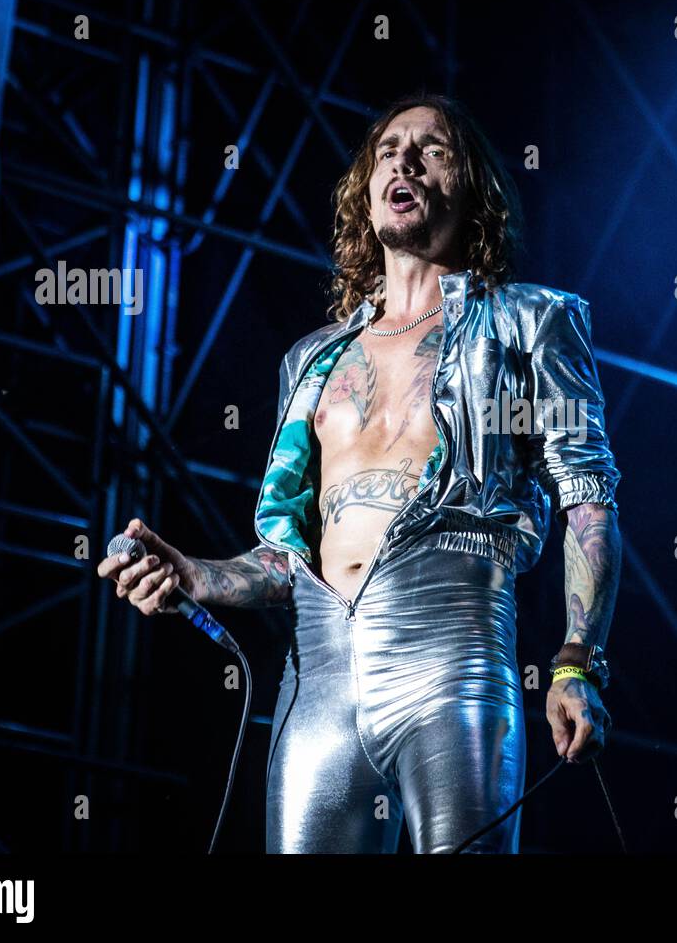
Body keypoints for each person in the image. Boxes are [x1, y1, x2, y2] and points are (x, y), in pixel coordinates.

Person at [96, 92, 622, 853]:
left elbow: (587, 500)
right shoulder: (310, 361)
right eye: (388, 150)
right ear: (367, 189)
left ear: (471, 188)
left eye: (432, 149)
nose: (403, 159)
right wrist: (195, 575)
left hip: (452, 657)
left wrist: (577, 661)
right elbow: (286, 559)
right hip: (316, 684)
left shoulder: (532, 321)